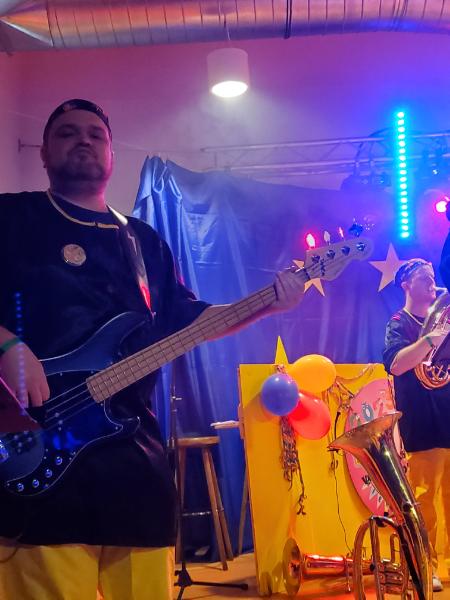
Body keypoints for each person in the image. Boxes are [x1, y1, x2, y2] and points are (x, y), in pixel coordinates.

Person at [0, 99, 305, 600]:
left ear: (112, 154)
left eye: (96, 134)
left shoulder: (141, 241)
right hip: (38, 465)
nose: (84, 140)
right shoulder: (14, 217)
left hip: (133, 467)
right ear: (44, 154)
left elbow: (188, 321)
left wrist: (267, 304)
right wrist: (8, 343)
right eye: (68, 133)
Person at [383, 258, 450, 592]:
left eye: (434, 277)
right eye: (425, 278)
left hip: (448, 416)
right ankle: (427, 565)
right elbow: (396, 364)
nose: (432, 283)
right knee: (424, 499)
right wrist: (432, 339)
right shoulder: (399, 322)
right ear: (406, 284)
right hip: (422, 422)